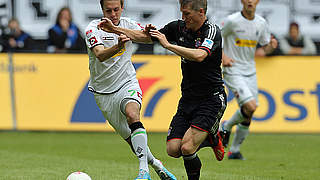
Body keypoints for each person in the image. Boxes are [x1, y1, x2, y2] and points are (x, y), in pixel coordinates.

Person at [97, 0, 227, 179]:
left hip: (211, 99)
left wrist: (169, 46)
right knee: (173, 150)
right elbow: (145, 37)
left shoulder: (211, 31)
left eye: (187, 14)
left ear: (201, 12)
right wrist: (115, 30)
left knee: (187, 148)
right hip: (188, 99)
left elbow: (199, 55)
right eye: (182, 12)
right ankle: (212, 137)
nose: (183, 17)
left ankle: (208, 137)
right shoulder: (178, 28)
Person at [84, 0, 177, 180]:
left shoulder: (129, 25)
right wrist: (118, 46)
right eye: (108, 10)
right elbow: (100, 55)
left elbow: (148, 37)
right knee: (131, 140)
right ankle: (157, 165)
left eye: (116, 9)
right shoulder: (92, 29)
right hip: (103, 93)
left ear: (122, 7)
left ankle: (143, 172)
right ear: (102, 10)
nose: (113, 14)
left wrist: (146, 31)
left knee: (133, 114)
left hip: (127, 82)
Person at [219, 0, 278, 160]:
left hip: (250, 71)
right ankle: (227, 126)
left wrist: (271, 46)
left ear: (257, 1)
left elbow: (265, 47)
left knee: (249, 112)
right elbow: (216, 37)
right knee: (251, 106)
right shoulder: (232, 21)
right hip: (233, 70)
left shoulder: (261, 23)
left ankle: (234, 151)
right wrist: (223, 56)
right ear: (242, 1)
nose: (250, 1)